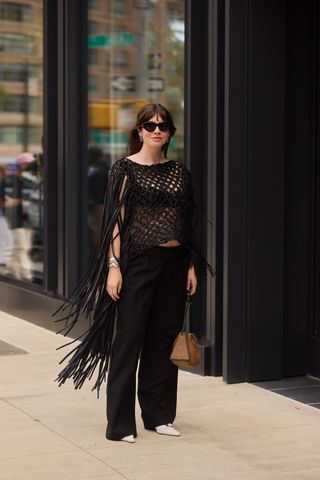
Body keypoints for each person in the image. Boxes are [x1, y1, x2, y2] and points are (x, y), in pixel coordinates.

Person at [55, 103, 214, 444]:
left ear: (170, 132)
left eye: (163, 125)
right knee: (128, 341)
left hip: (175, 264)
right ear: (139, 131)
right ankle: (121, 424)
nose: (157, 130)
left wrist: (190, 265)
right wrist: (113, 268)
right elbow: (115, 221)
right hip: (137, 264)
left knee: (162, 340)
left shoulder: (179, 172)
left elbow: (187, 222)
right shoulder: (124, 170)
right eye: (150, 125)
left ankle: (158, 416)